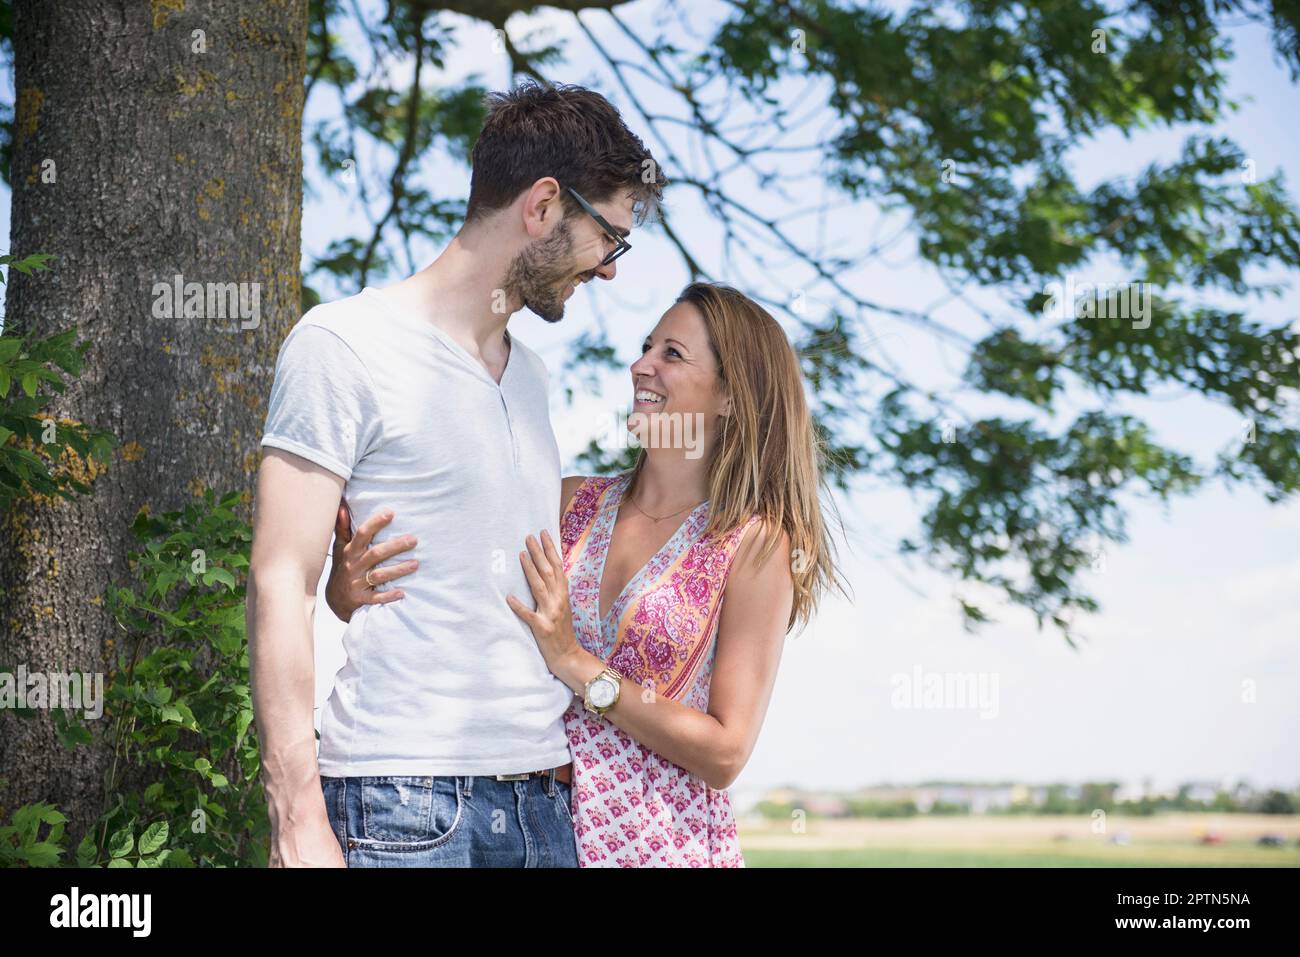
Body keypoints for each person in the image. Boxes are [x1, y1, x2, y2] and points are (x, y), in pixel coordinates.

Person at [246, 80, 665, 868]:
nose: (610, 270)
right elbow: (280, 581)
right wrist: (296, 814)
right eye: (608, 237)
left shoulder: (532, 376)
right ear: (543, 207)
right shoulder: (342, 344)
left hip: (542, 800)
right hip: (402, 804)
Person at [327, 281, 844, 866]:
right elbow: (450, 594)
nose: (640, 366)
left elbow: (726, 752)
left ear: (730, 396)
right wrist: (346, 593)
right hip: (530, 824)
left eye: (671, 355)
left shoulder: (752, 544)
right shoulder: (569, 501)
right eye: (647, 347)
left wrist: (575, 662)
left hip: (659, 845)